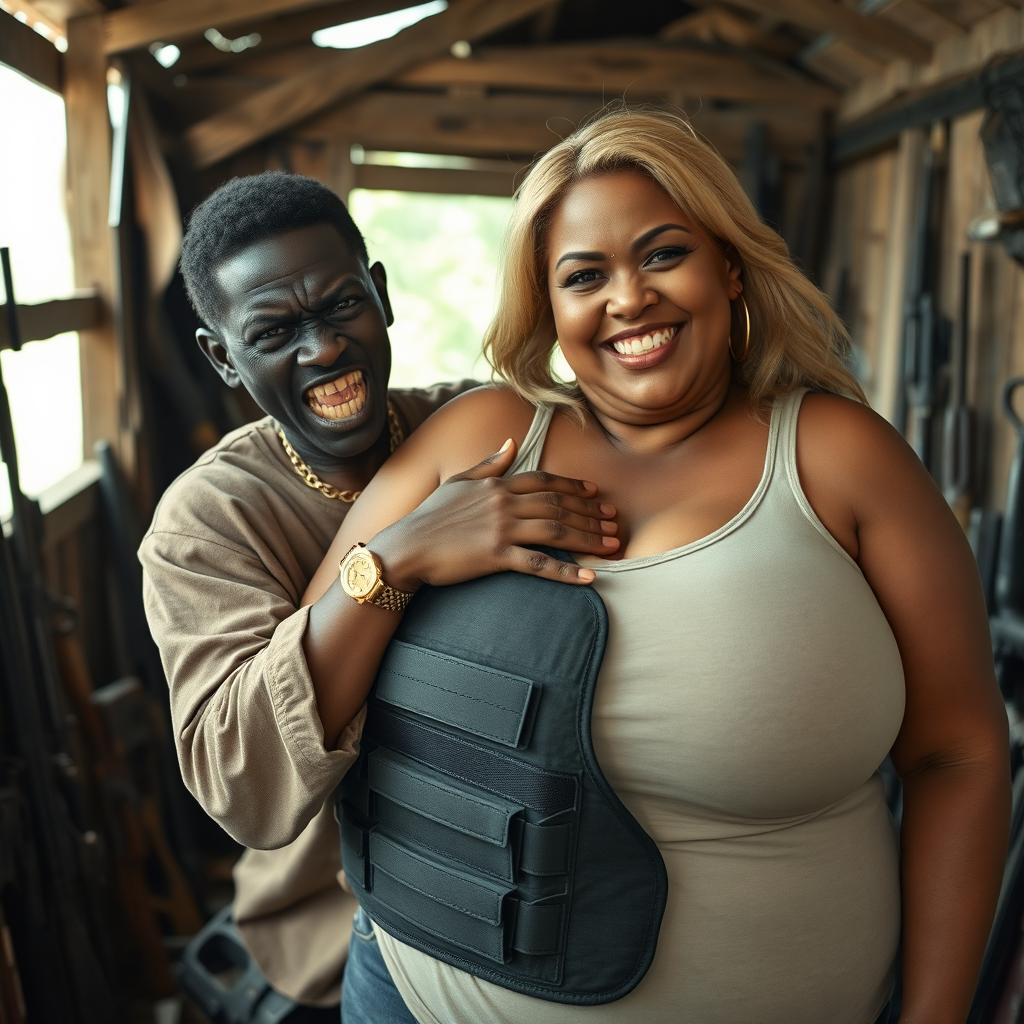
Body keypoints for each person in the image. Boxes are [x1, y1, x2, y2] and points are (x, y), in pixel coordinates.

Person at [298, 108, 1012, 1024]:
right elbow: (301, 691)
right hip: (416, 995)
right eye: (584, 276)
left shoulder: (843, 461)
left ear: (731, 267)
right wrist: (397, 554)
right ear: (549, 311)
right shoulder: (481, 438)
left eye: (663, 253)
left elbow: (959, 753)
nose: (627, 298)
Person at [138, 172, 617, 1011]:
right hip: (340, 937)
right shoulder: (207, 522)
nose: (322, 349)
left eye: (338, 307)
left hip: (521, 902)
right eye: (276, 330)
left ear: (382, 295)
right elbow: (240, 779)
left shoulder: (480, 430)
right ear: (222, 356)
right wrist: (396, 560)